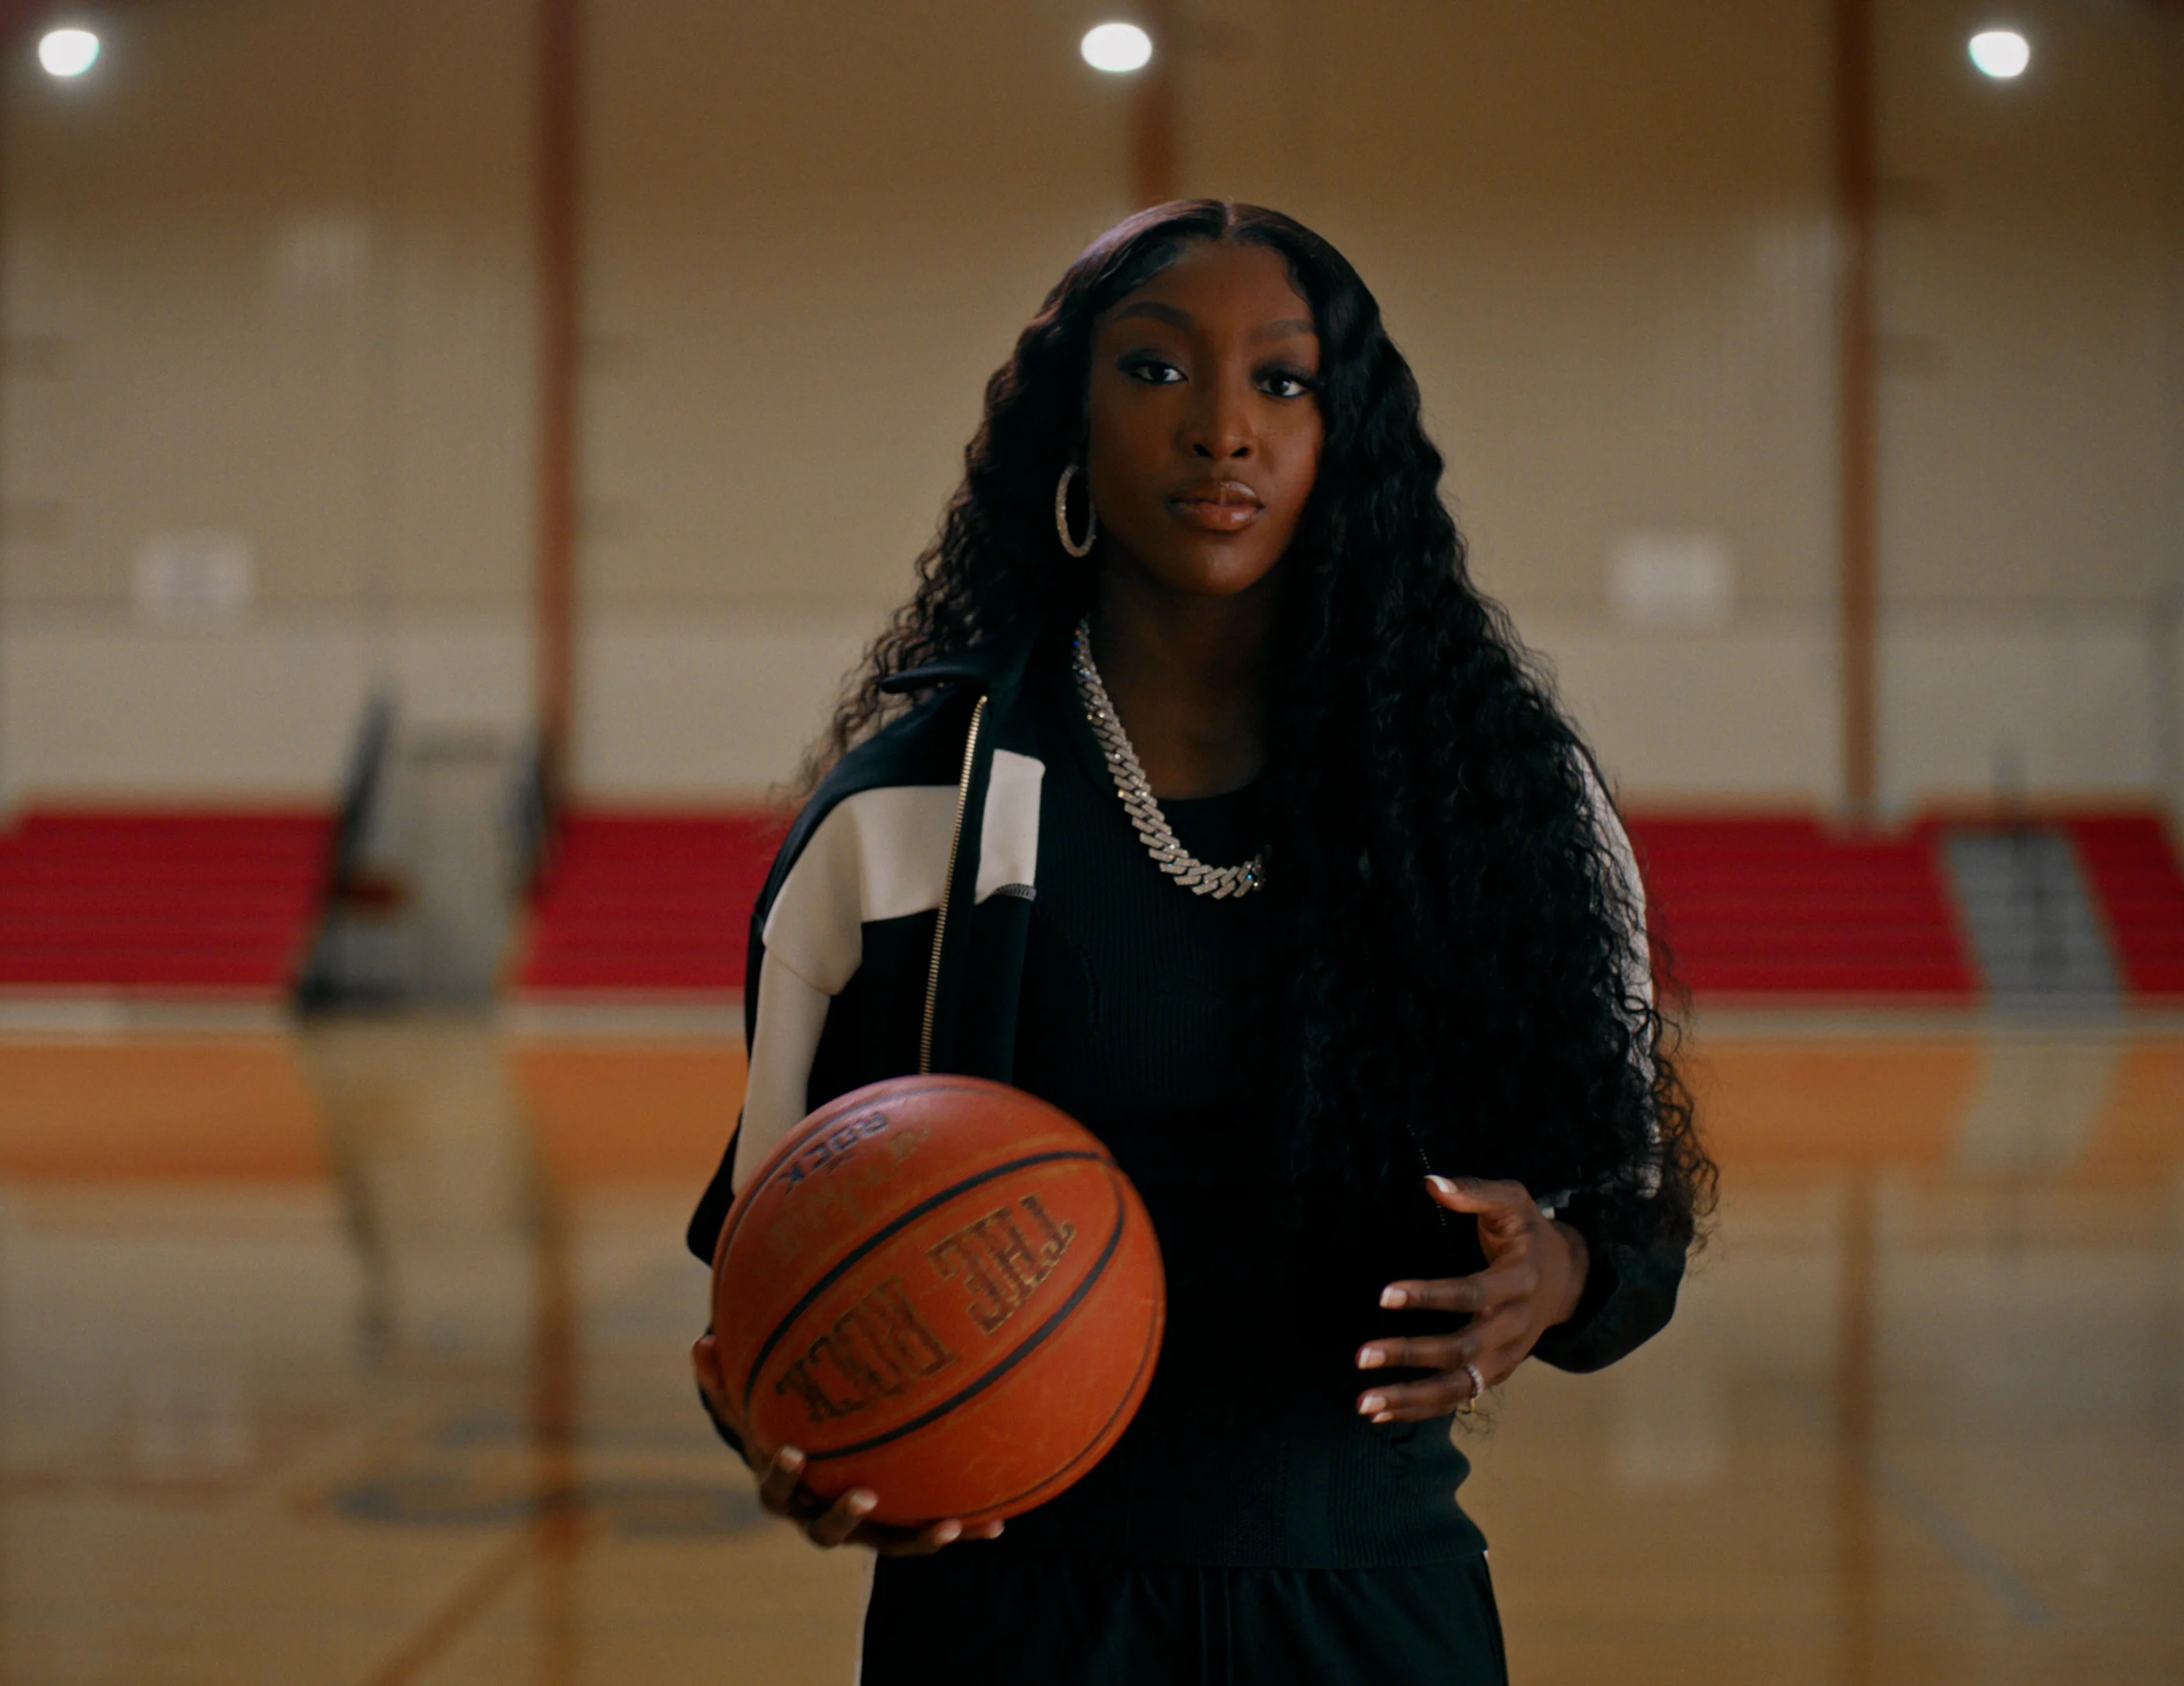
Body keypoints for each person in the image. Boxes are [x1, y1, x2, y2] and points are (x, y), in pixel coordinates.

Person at [683, 200, 1712, 1685]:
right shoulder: (902, 820)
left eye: (1283, 382)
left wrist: (1552, 1271)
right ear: (1070, 424)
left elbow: (1633, 1215)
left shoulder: (1500, 803)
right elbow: (771, 1268)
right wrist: (804, 1440)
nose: (1223, 429)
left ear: (1344, 440)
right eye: (1157, 370)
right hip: (1006, 1621)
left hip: (1371, 1607)